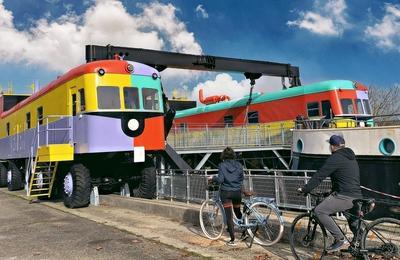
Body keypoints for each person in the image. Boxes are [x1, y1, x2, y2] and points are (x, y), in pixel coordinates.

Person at [298, 134, 363, 253]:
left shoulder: (335, 158)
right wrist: (330, 192)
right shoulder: (351, 157)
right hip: (357, 196)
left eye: (330, 145)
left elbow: (319, 176)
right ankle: (360, 246)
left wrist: (305, 189)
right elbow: (343, 178)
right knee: (354, 223)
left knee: (319, 211)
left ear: (333, 147)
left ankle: (339, 239)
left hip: (345, 197)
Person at [211, 147, 244, 246]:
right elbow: (241, 178)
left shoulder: (222, 165)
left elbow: (220, 180)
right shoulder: (239, 165)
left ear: (223, 156)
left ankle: (233, 239)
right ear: (233, 155)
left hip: (226, 193)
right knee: (238, 212)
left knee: (229, 216)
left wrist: (213, 178)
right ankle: (244, 232)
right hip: (237, 192)